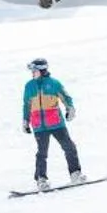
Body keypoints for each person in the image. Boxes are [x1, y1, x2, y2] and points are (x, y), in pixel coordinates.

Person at [21, 57, 84, 192]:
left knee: (69, 147)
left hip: (56, 124)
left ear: (42, 71)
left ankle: (75, 174)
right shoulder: (29, 86)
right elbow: (27, 105)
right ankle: (41, 180)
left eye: (34, 70)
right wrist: (26, 121)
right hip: (39, 126)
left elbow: (66, 97)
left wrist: (70, 109)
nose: (32, 73)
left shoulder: (54, 83)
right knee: (42, 153)